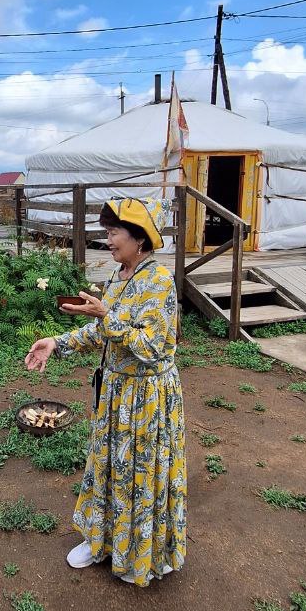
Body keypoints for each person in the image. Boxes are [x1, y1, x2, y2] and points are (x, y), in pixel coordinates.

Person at [25, 196, 186, 587]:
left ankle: (141, 554)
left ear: (140, 239)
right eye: (108, 232)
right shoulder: (121, 276)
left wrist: (107, 317)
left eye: (114, 233)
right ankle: (100, 541)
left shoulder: (159, 282)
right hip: (116, 394)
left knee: (140, 473)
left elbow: (154, 348)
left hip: (147, 399)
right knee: (111, 466)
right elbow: (103, 332)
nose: (108, 239)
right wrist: (57, 342)